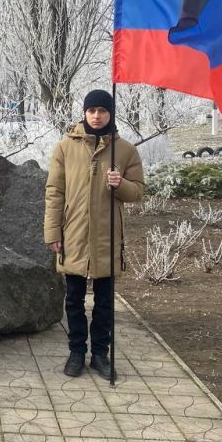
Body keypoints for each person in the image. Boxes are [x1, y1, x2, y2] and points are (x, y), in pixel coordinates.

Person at [43, 89, 144, 381]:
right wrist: (52, 231)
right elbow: (54, 191)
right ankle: (76, 352)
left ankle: (100, 353)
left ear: (111, 113)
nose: (96, 116)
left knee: (105, 301)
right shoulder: (65, 148)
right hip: (73, 234)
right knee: (73, 299)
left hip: (107, 238)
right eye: (91, 111)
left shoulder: (125, 150)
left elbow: (138, 192)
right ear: (84, 113)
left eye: (102, 110)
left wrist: (120, 183)